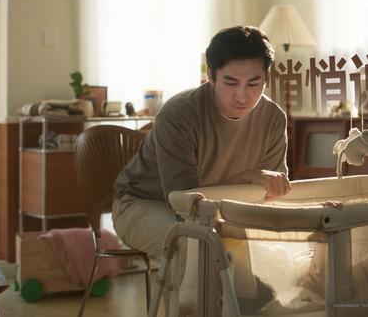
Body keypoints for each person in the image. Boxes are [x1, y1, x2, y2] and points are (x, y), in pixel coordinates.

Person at [111, 25, 291, 258]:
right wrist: (248, 176)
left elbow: (269, 196)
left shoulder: (273, 118)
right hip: (143, 204)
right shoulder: (178, 114)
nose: (242, 96)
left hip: (216, 210)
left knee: (269, 250)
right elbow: (185, 204)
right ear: (211, 76)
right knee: (197, 244)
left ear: (266, 78)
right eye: (231, 83)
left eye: (253, 84)